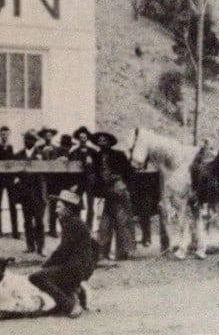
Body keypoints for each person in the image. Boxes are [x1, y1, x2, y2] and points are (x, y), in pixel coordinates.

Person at [28, 188, 97, 318]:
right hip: (80, 266)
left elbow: (63, 250)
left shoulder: (72, 224)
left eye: (59, 207)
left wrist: (46, 265)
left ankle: (69, 306)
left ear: (68, 208)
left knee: (37, 277)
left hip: (75, 267)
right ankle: (70, 301)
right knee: (55, 275)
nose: (56, 210)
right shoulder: (75, 222)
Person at [92, 131, 136, 261]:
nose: (102, 143)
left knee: (123, 221)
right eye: (100, 141)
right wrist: (99, 190)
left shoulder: (119, 155)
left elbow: (129, 172)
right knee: (106, 222)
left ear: (110, 142)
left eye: (104, 140)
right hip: (107, 192)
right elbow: (95, 176)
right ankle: (102, 252)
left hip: (119, 190)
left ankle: (124, 252)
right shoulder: (96, 156)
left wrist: (124, 185)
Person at [13, 129, 47, 256]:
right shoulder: (18, 155)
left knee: (39, 220)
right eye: (27, 139)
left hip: (38, 193)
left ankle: (41, 246)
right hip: (25, 193)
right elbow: (14, 173)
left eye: (32, 139)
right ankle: (30, 245)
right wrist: (17, 182)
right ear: (24, 140)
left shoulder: (41, 154)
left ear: (35, 141)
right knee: (27, 220)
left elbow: (47, 172)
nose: (29, 141)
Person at [68, 126, 99, 229]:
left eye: (84, 137)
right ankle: (78, 225)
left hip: (90, 180)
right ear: (78, 138)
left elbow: (98, 167)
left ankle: (89, 226)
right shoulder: (73, 151)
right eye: (80, 137)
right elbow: (70, 166)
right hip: (78, 180)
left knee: (91, 204)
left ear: (87, 138)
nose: (82, 139)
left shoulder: (93, 151)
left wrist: (92, 163)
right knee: (76, 202)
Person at [0, 126, 20, 239]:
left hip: (10, 179)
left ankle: (15, 231)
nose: (4, 136)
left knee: (12, 205)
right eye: (2, 134)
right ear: (0, 135)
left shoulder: (12, 148)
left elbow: (15, 162)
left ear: (9, 135)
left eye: (6, 134)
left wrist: (15, 177)